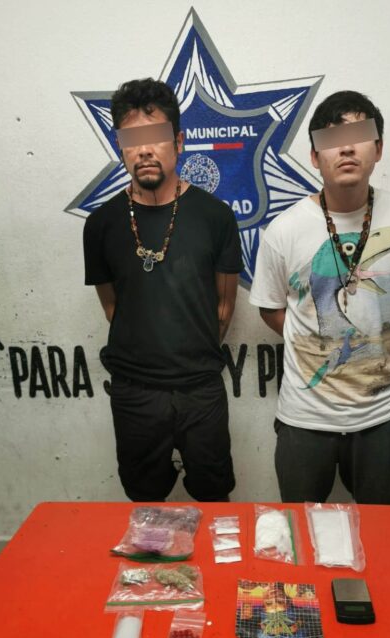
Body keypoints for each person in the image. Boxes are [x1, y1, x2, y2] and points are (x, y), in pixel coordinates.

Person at [249, 90, 390, 504]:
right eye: (332, 139)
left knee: (381, 529)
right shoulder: (284, 230)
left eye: (359, 136)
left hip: (381, 416)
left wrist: (376, 337)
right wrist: (320, 339)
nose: (347, 148)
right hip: (304, 417)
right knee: (300, 529)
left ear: (379, 149)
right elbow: (270, 307)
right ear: (315, 156)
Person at [83, 78, 243, 502]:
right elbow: (112, 307)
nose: (144, 150)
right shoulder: (100, 225)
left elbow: (224, 306)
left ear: (179, 142)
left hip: (201, 389)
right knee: (144, 503)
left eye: (155, 137)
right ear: (120, 147)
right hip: (134, 392)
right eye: (132, 140)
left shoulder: (216, 217)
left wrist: (189, 356)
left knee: (214, 498)